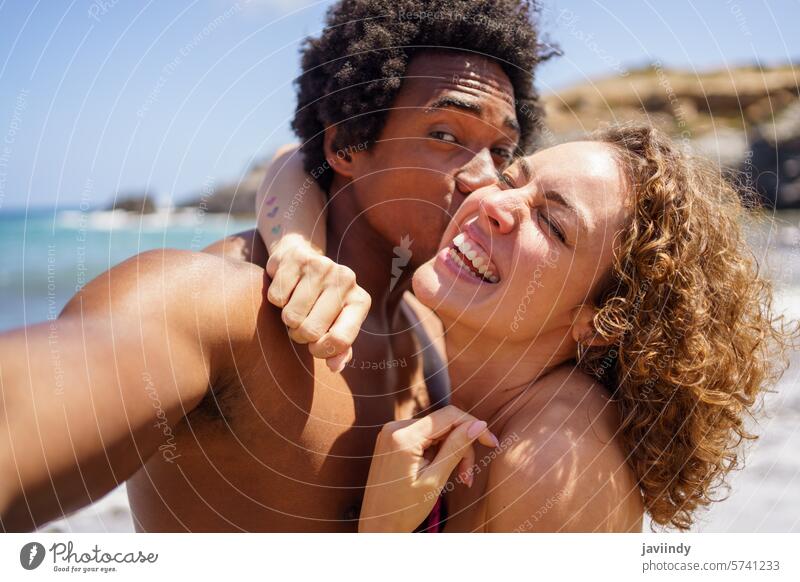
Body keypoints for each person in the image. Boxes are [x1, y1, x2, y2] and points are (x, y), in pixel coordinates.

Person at [0, 0, 548, 532]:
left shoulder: (433, 329)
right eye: (446, 135)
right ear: (347, 145)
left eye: (502, 152)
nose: (485, 178)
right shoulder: (217, 304)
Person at [259, 124, 796, 532]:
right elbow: (299, 161)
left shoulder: (550, 462)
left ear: (602, 321)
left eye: (552, 222)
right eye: (513, 179)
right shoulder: (446, 326)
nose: (494, 204)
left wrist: (384, 531)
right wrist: (295, 246)